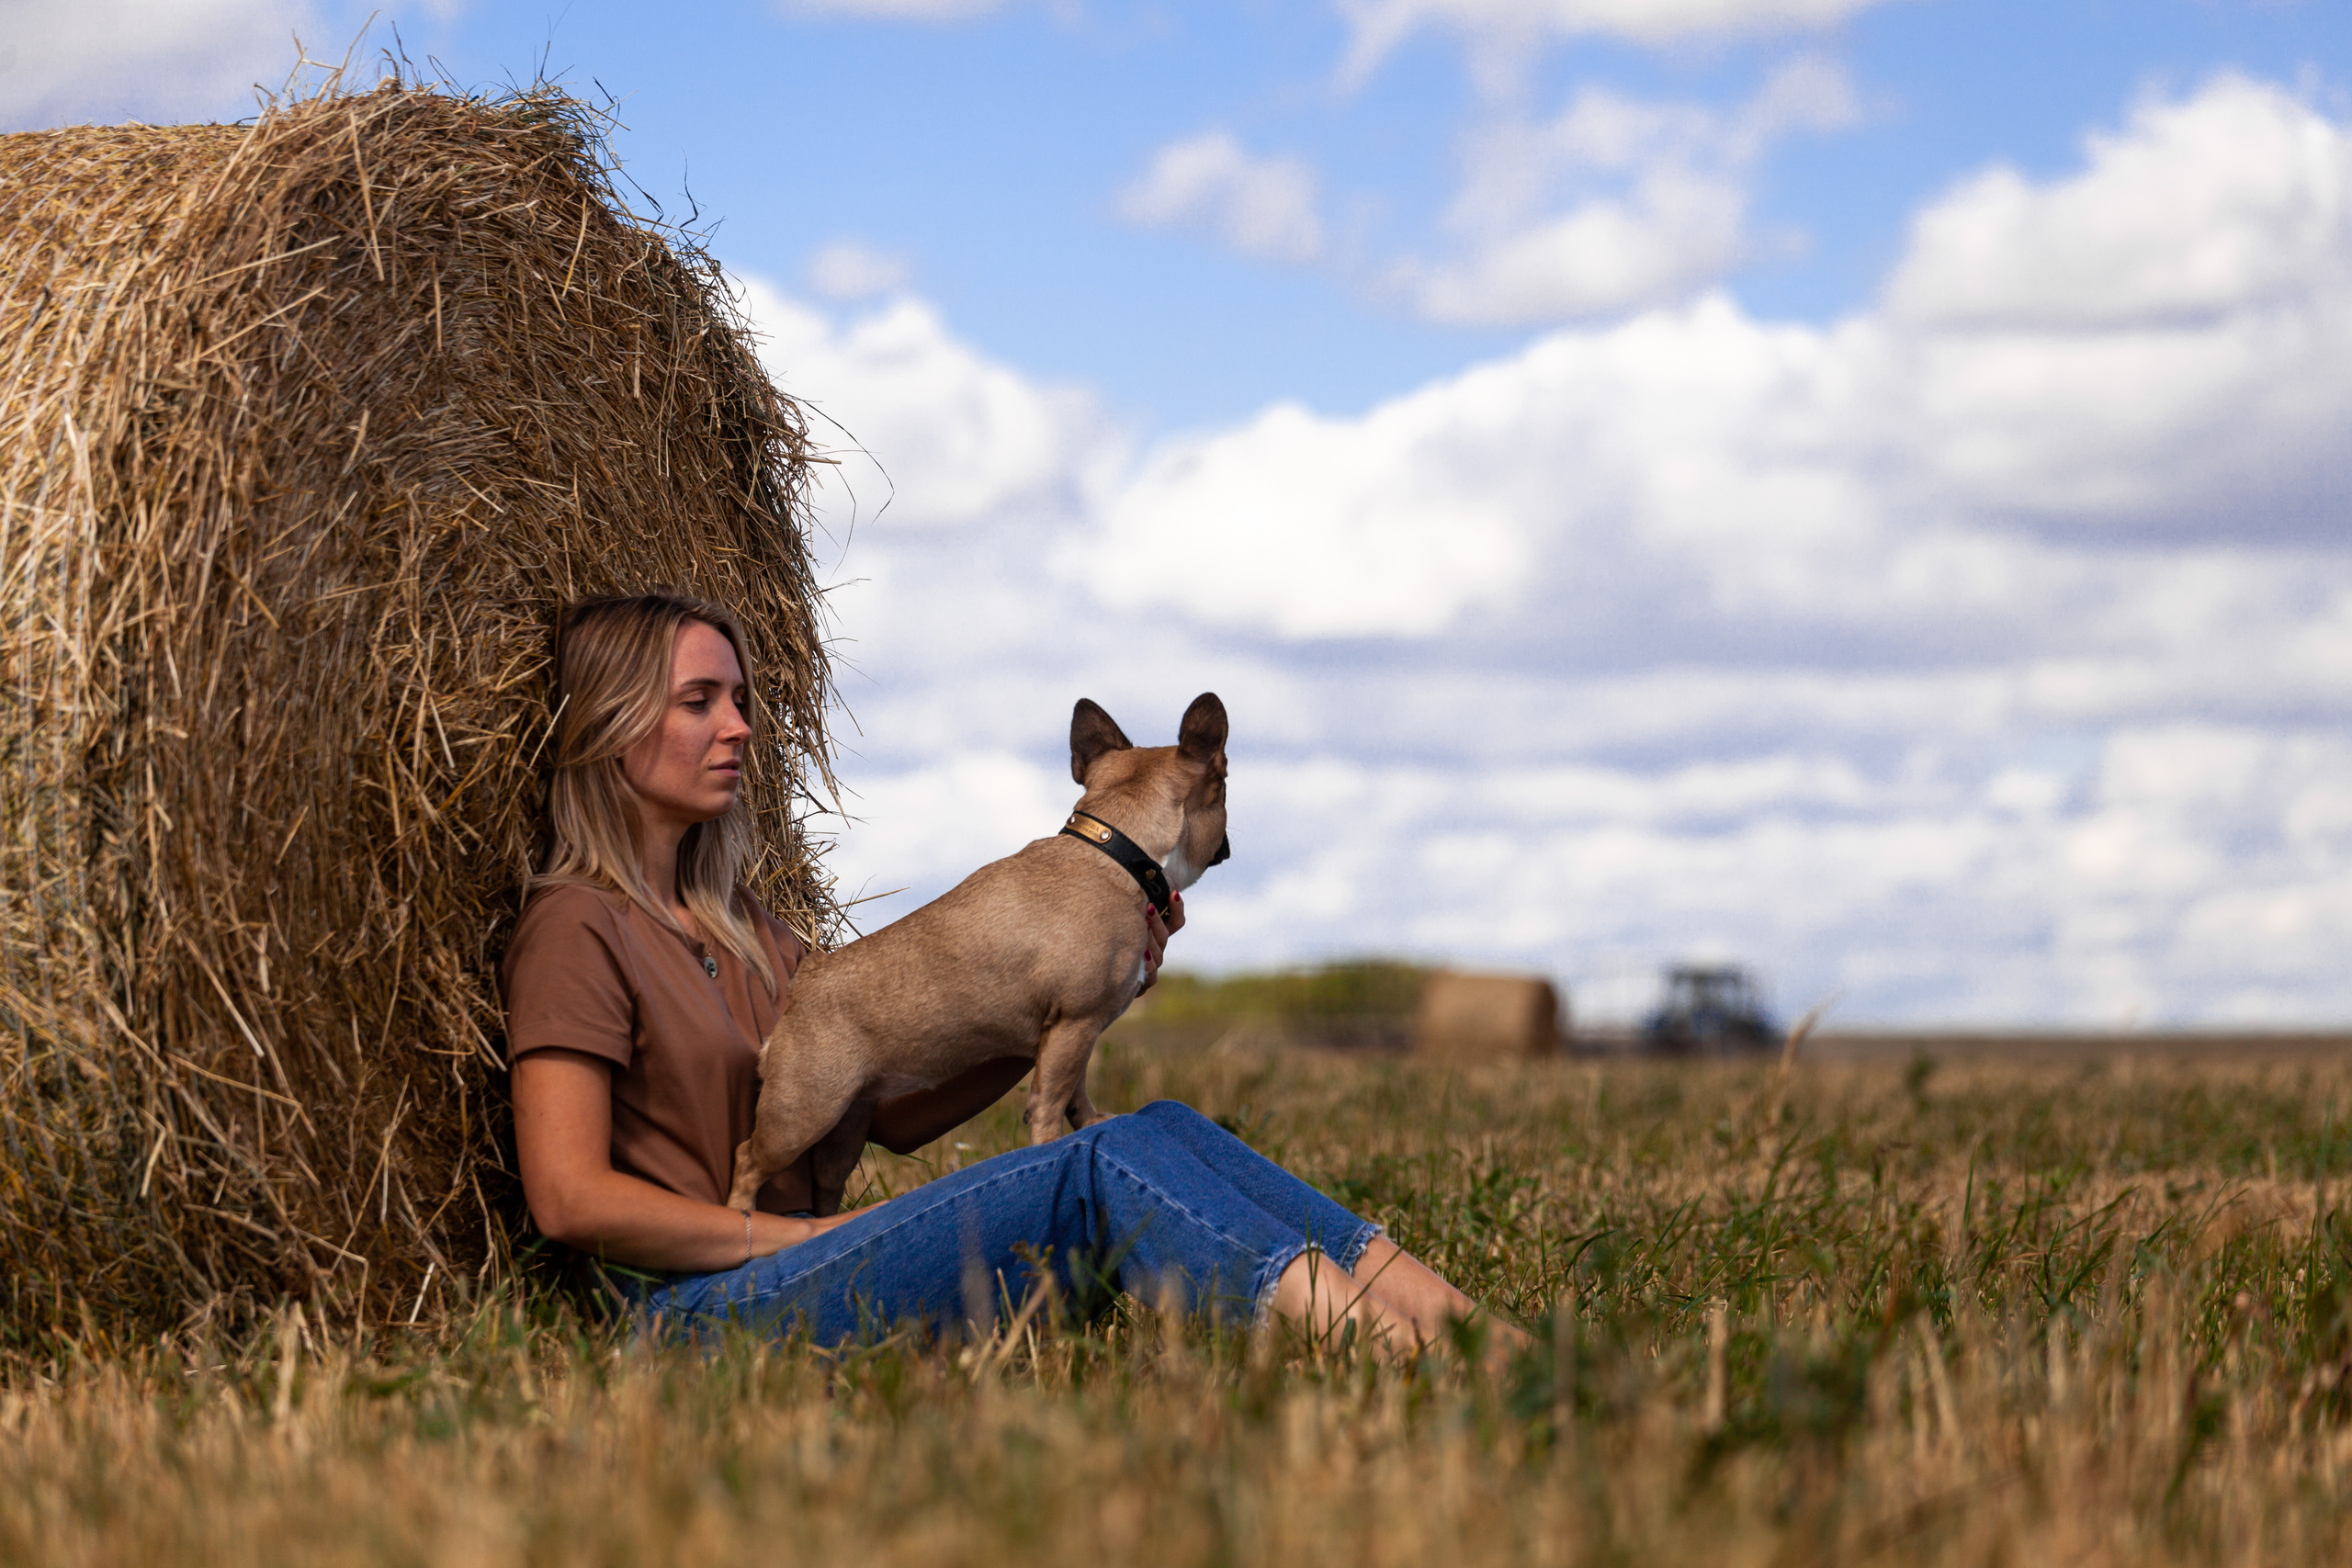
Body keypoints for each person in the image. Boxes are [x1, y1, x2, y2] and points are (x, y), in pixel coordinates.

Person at [503, 592, 1524, 1355]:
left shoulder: (749, 934)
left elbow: (896, 1114)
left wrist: (1069, 996)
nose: (741, 725)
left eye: (741, 698)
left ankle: (1480, 1340)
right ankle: (1399, 1359)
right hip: (693, 1312)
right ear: (612, 723)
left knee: (1151, 1127)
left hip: (802, 1258)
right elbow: (569, 1199)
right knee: (1089, 1165)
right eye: (699, 701)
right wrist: (782, 1236)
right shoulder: (578, 928)